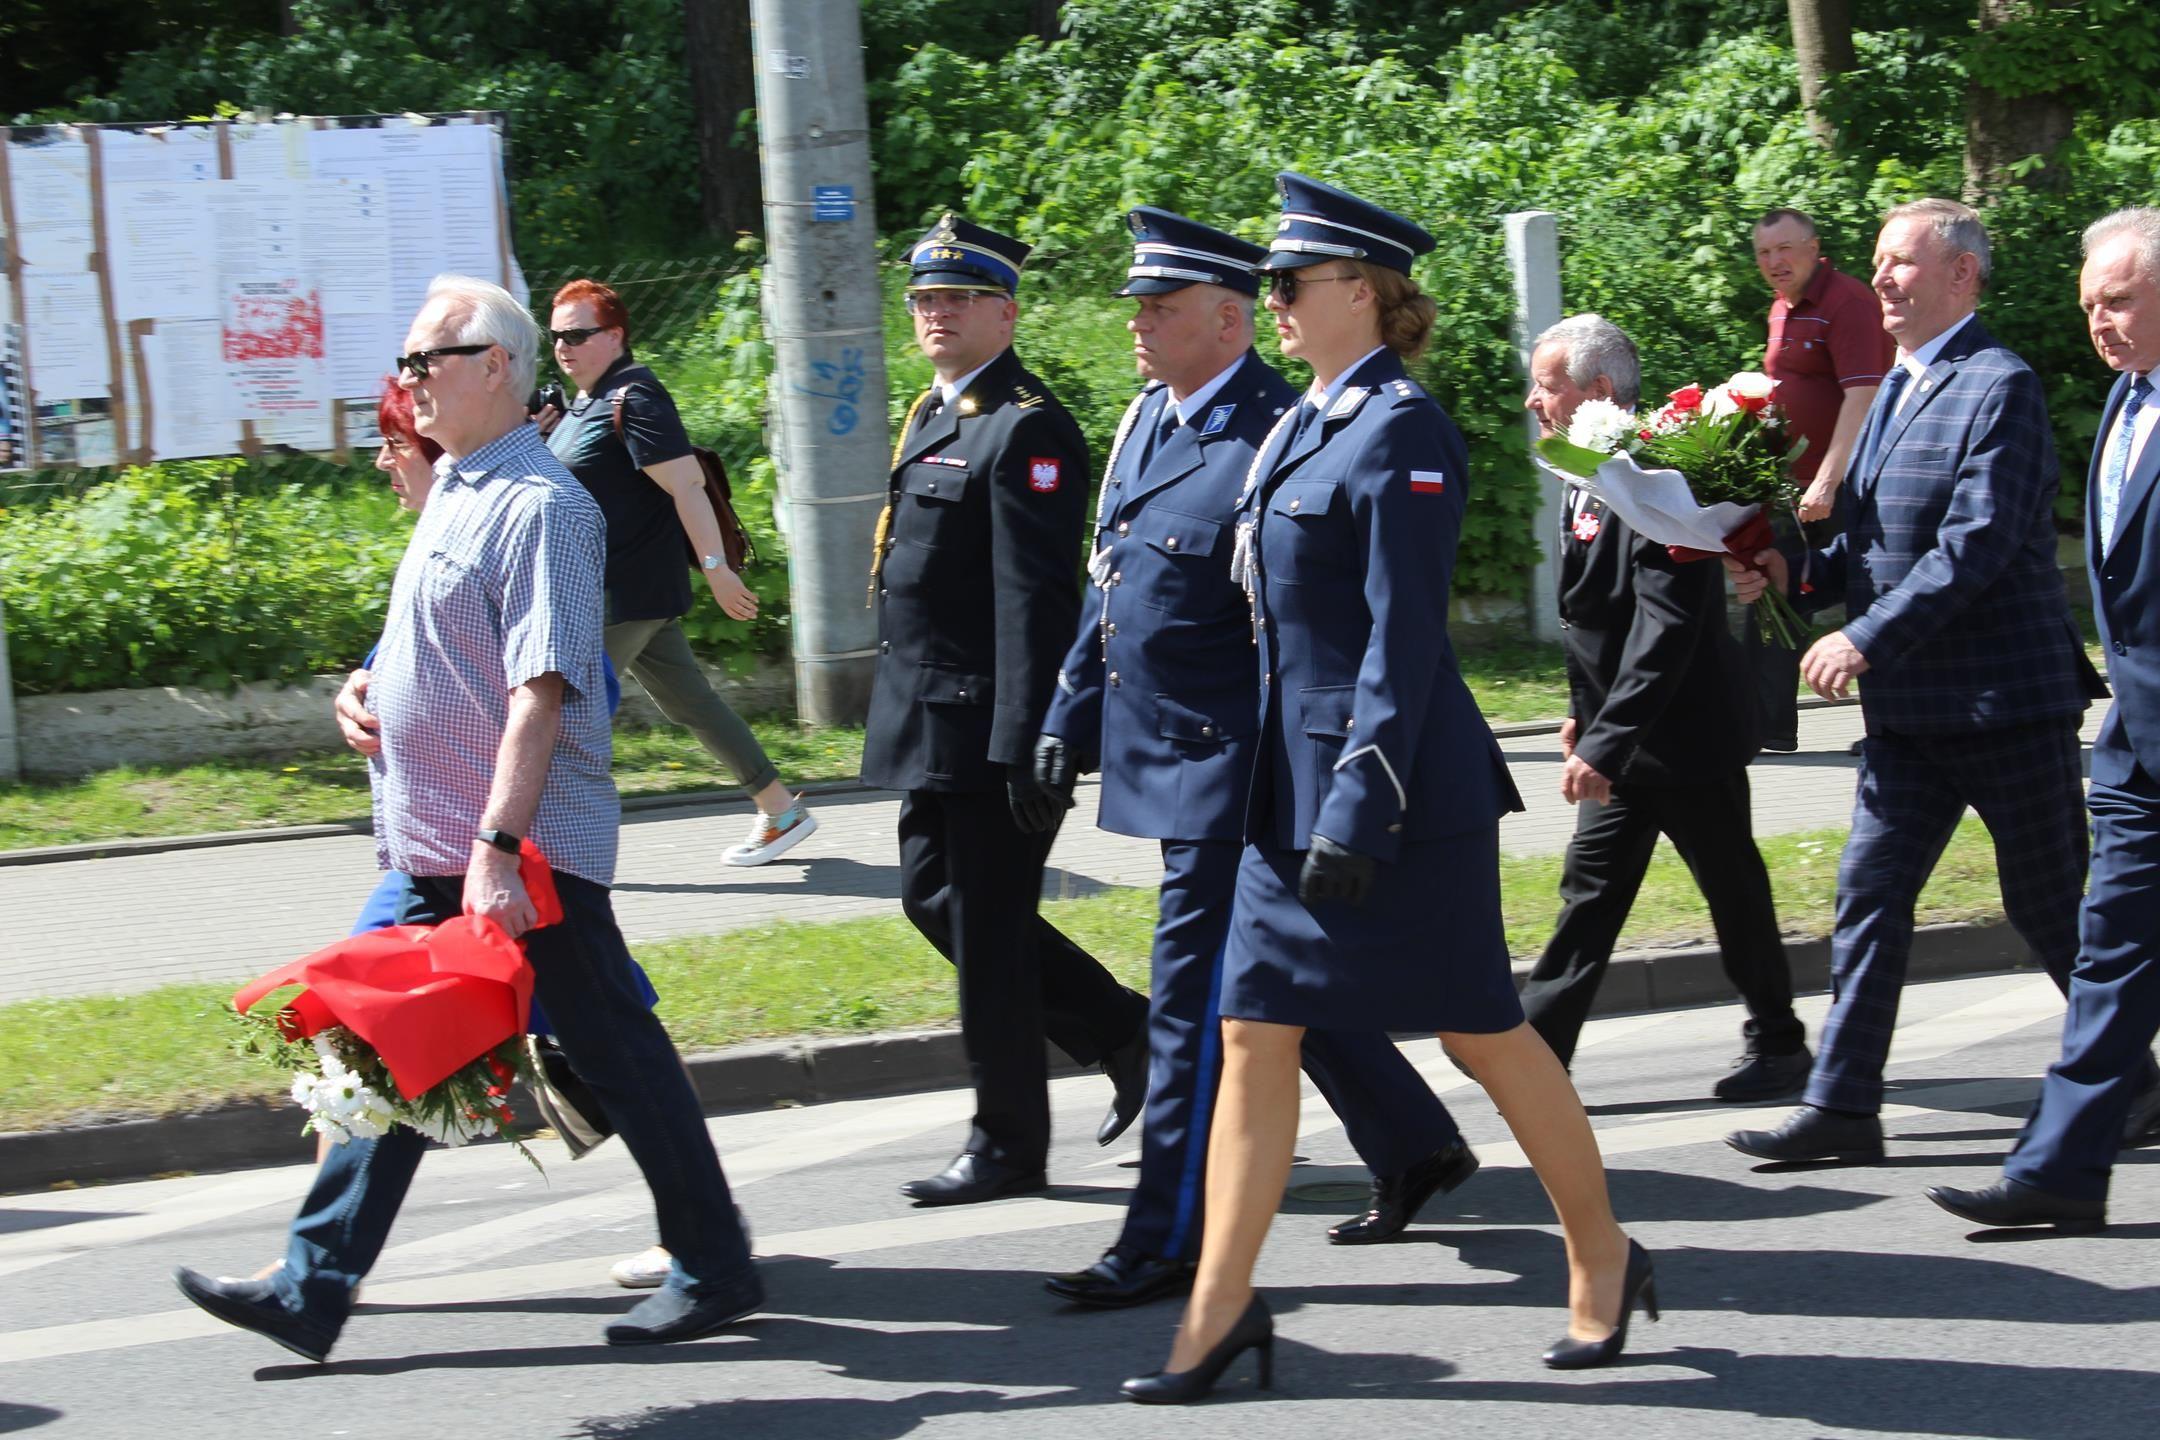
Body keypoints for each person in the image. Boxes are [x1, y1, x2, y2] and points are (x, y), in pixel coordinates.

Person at [1121, 176, 1649, 1405]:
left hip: (1398, 799)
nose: (1275, 305)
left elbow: (1400, 639)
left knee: (1484, 1034)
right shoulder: (1307, 419)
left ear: (1362, 292)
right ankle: (1219, 1311)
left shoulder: (1403, 429)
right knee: (1249, 1034)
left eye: (1291, 286)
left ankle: (1604, 1253)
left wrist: (1357, 805)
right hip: (1281, 792)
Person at [176, 276, 761, 1359]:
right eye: (405, 365)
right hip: (435, 843)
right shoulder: (458, 487)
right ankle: (313, 1284)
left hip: (518, 850)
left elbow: (542, 687)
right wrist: (364, 689)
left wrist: (498, 845)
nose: (407, 385)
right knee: (382, 1047)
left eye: (422, 364)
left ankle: (717, 1264)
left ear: (495, 366)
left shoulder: (544, 506)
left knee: (616, 1053)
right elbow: (434, 640)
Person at [1034, 208, 1480, 1309]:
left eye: (1164, 308)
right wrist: (1069, 709)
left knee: (1194, 1011)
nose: (1139, 325)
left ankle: (1168, 1242)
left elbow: (1314, 624)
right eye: (1137, 307)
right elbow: (1116, 581)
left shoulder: (1278, 430)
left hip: (1243, 769)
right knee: (1271, 989)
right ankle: (1414, 1142)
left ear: (1229, 319)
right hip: (1167, 755)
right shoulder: (1149, 419)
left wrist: (1345, 789)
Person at [1725, 200, 2109, 1167]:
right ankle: (1845, 1107)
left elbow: (1971, 548)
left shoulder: (2000, 386)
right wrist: (1792, 576)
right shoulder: (1897, 388)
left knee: (2050, 905)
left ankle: (2130, 1081)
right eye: (1880, 264)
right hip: (1909, 713)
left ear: (1962, 277)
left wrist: (1863, 638)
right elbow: (1866, 541)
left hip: (2002, 704)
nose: (1883, 279)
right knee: (1869, 896)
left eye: (1903, 264)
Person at [861, 214, 1150, 1206]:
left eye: (957, 299)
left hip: (991, 729)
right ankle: (1125, 1030)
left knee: (986, 939)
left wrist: (1038, 740)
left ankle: (1008, 1142)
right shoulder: (936, 413)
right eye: (924, 299)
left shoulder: (1026, 425)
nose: (935, 315)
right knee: (933, 902)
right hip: (928, 721)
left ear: (1006, 312)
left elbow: (1038, 603)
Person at [1928, 206, 2160, 1231]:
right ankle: (2062, 1173)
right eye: (2089, 308)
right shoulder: (2122, 403)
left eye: (2119, 302)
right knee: (2106, 951)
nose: (2100, 325)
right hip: (2138, 751)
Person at [1516, 314, 1809, 1101]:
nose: (1534, 402)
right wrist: (1585, 717)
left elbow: (1666, 630)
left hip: (1683, 736)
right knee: (1592, 892)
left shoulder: (1659, 484)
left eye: (1548, 386)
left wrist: (1603, 744)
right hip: (1623, 736)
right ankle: (1538, 1057)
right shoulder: (1590, 474)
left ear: (1599, 391)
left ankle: (1779, 1043)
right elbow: (1592, 618)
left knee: (1733, 891)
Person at [541, 278, 816, 867]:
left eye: (577, 334)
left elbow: (687, 484)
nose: (563, 346)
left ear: (614, 335)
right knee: (690, 703)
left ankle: (547, 845)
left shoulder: (634, 397)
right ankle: (780, 807)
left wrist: (717, 570)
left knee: (558, 714)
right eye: (556, 336)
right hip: (619, 591)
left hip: (625, 596)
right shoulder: (585, 401)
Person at [1748, 208, 1896, 751]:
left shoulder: (1848, 302)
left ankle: (1888, 728)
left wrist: (1829, 480)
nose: (1774, 262)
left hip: (1847, 485)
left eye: (1784, 249)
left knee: (1870, 597)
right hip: (1791, 485)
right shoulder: (1783, 307)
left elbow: (1864, 396)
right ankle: (1766, 730)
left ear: (1813, 248)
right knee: (1774, 589)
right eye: (1764, 253)